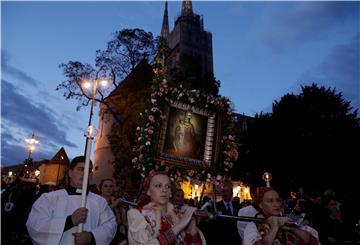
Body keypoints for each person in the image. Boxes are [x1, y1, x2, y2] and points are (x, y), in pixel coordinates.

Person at [26, 156, 117, 245]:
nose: (85, 174)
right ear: (70, 173)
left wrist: (91, 237)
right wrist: (69, 221)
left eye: (89, 171)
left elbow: (111, 225)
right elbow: (35, 225)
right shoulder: (50, 198)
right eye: (81, 169)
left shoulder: (100, 202)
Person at [127, 171, 206, 244]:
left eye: (167, 186)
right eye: (158, 185)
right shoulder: (136, 214)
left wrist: (193, 228)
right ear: (149, 191)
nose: (164, 190)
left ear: (170, 193)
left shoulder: (177, 215)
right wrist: (180, 225)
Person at [243, 187, 319, 245]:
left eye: (278, 200)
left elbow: (314, 242)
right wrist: (275, 227)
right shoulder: (252, 226)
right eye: (270, 201)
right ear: (260, 205)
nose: (276, 204)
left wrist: (292, 228)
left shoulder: (289, 220)